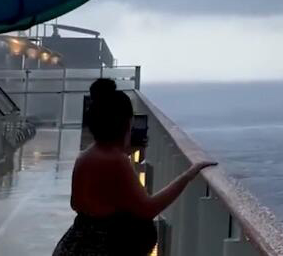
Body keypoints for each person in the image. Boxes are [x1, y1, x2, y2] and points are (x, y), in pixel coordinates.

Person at [53, 79, 216, 256]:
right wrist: (187, 176)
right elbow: (148, 209)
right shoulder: (116, 161)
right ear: (125, 125)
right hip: (99, 249)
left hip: (72, 245)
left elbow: (76, 203)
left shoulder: (84, 156)